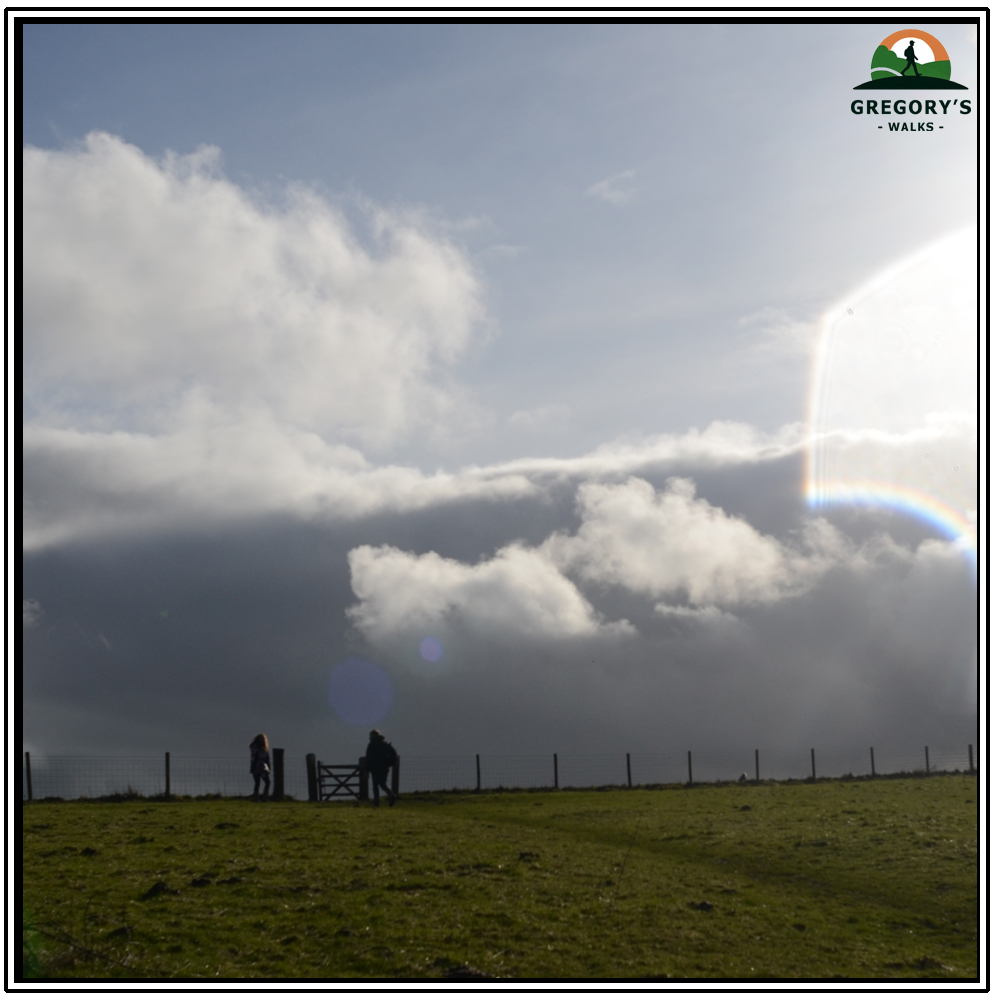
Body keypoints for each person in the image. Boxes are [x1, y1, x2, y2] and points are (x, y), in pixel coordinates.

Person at [365, 729, 397, 807]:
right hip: (383, 768)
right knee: (383, 784)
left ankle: (377, 803)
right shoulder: (384, 744)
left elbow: (368, 758)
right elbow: (394, 755)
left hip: (374, 768)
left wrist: (367, 769)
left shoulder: (371, 745)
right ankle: (391, 795)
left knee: (375, 786)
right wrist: (389, 764)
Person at [249, 733, 271, 801]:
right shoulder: (256, 748)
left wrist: (268, 767)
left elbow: (267, 759)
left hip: (262, 768)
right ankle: (258, 798)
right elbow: (254, 758)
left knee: (266, 782)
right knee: (258, 783)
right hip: (258, 768)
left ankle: (263, 797)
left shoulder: (264, 749)